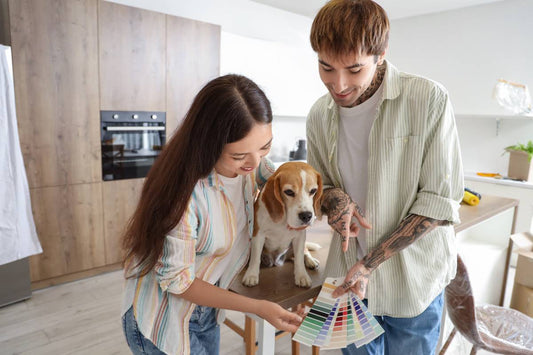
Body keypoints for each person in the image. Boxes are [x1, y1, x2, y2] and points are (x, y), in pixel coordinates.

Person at [306, 1, 464, 354]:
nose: (339, 84)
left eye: (354, 69)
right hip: (348, 279)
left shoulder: (427, 99)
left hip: (412, 282)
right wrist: (335, 200)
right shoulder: (319, 113)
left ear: (381, 54)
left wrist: (370, 264)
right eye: (326, 67)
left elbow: (439, 203)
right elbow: (320, 187)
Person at [121, 74, 302, 355]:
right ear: (209, 143)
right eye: (240, 155)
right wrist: (256, 307)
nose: (255, 162)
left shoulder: (252, 166)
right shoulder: (183, 195)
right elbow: (178, 282)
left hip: (208, 310)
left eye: (264, 147)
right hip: (165, 318)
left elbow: (281, 179)